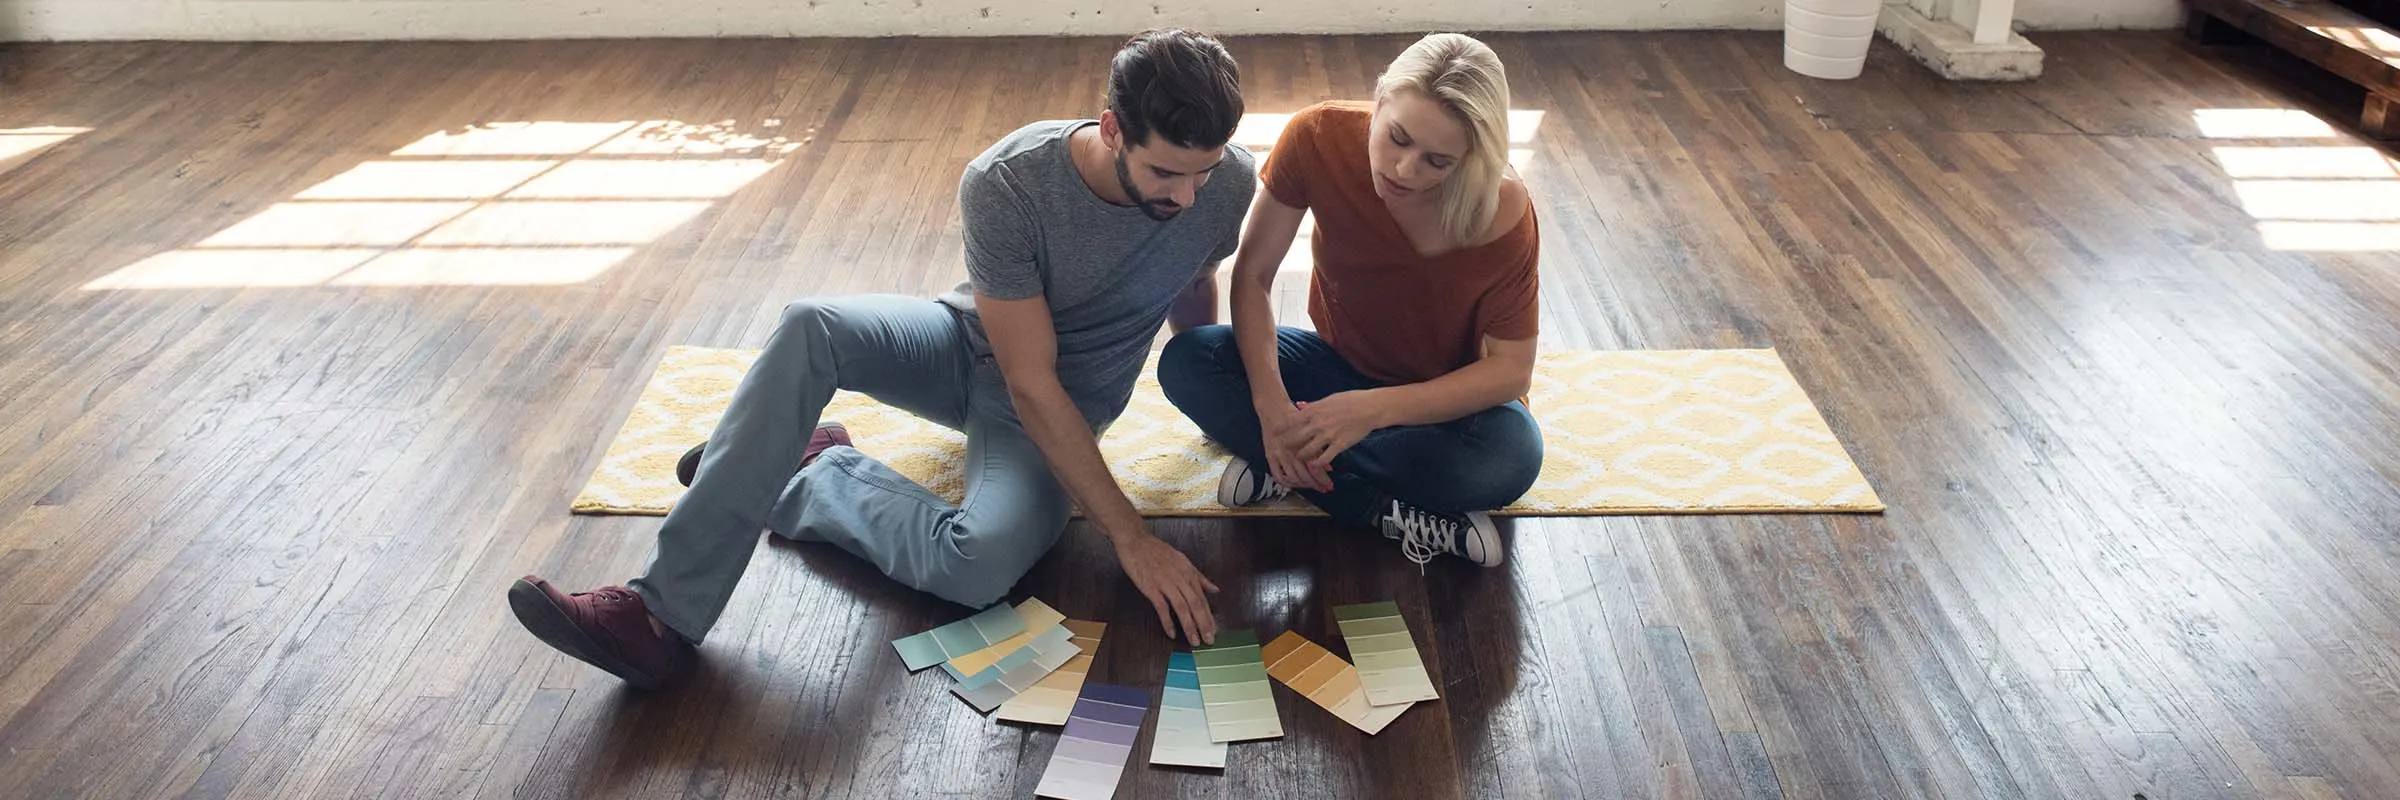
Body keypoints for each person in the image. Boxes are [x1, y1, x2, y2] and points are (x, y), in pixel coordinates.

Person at [509, 29, 1255, 688]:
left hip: (1063, 401)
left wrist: (1212, 393)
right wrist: (1132, 537)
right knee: (812, 325)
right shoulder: (1010, 182)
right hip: (973, 348)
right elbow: (1025, 377)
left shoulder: (1225, 186)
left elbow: (1195, 277)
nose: (1189, 196)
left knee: (977, 566)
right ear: (1113, 129)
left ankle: (805, 469)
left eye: (1204, 172)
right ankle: (656, 616)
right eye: (1166, 174)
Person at [1157, 32, 1541, 568]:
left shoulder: (1503, 211)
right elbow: (1253, 278)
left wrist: (1369, 412)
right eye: (1397, 138)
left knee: (1513, 457)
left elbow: (1509, 373)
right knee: (1188, 360)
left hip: (1440, 405)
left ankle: (1291, 470)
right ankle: (1376, 506)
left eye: (1438, 161)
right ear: (1379, 102)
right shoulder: (1317, 135)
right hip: (1336, 369)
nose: (1405, 170)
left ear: (1472, 158)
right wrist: (1271, 412)